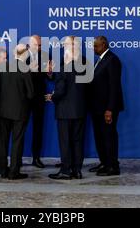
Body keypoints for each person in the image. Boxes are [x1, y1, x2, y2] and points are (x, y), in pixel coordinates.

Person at [46, 36, 88, 180]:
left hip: (65, 111)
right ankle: (76, 170)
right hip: (80, 109)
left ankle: (65, 171)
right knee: (77, 141)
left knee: (65, 142)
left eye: (65, 46)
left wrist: (53, 97)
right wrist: (51, 74)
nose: (63, 48)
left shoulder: (65, 68)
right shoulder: (86, 65)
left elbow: (61, 90)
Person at [0, 44, 34, 180]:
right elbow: (30, 94)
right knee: (17, 142)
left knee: (2, 141)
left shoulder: (3, 66)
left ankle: (3, 171)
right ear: (25, 54)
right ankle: (13, 172)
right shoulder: (25, 69)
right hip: (20, 112)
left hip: (2, 111)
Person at [89, 36, 124, 176]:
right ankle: (104, 163)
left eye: (96, 46)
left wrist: (110, 109)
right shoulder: (101, 59)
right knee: (100, 137)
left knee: (109, 136)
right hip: (97, 107)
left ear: (103, 45)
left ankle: (113, 166)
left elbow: (114, 87)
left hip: (107, 109)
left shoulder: (112, 60)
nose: (94, 48)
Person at [27, 35, 52, 168]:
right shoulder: (21, 56)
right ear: (29, 45)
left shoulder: (45, 56)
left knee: (38, 129)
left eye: (41, 45)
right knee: (20, 129)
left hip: (38, 99)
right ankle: (17, 159)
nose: (39, 48)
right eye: (37, 45)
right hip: (24, 99)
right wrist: (30, 69)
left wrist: (49, 73)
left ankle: (36, 158)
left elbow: (50, 78)